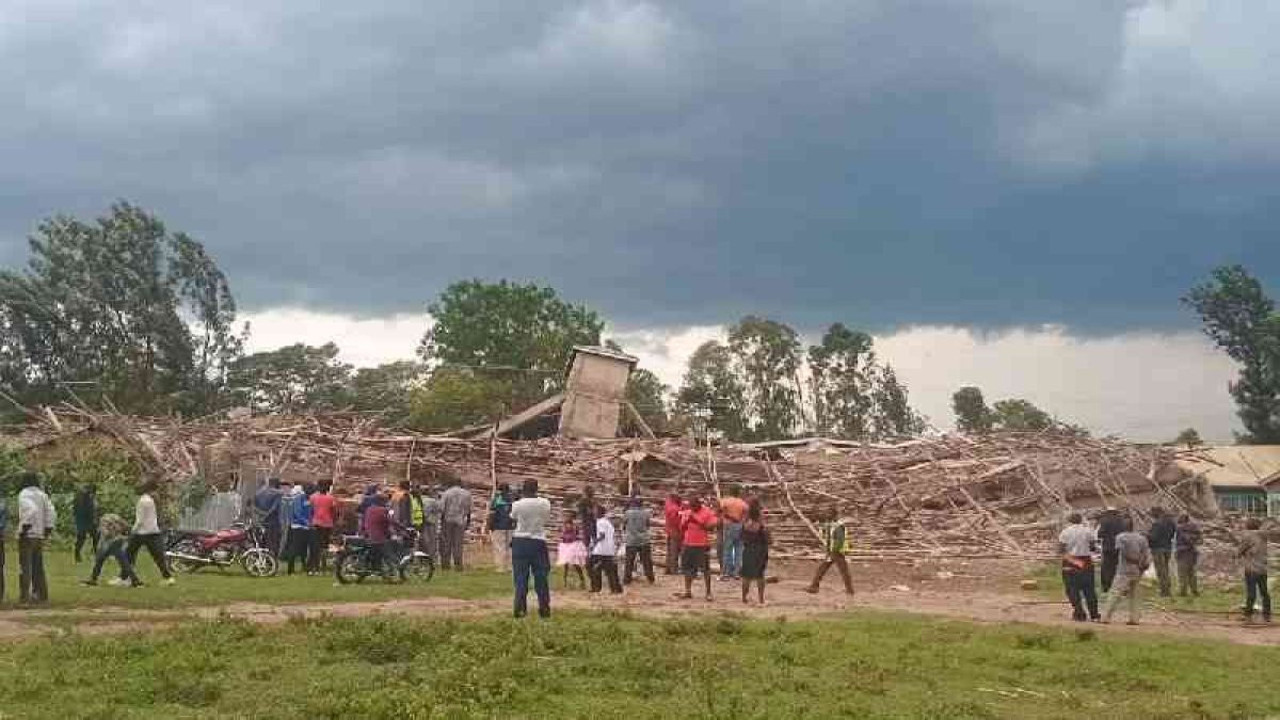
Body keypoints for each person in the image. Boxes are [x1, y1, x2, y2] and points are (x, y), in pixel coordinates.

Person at [510, 478, 553, 619]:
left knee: (521, 577)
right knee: (541, 577)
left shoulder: (517, 504)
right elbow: (546, 519)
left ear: (523, 489)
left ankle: (520, 609)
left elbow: (513, 518)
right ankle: (544, 609)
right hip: (538, 540)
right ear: (537, 489)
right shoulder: (545, 503)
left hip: (520, 540)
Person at [125, 480, 175, 585]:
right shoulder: (150, 500)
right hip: (153, 531)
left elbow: (140, 520)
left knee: (129, 554)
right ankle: (168, 577)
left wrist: (132, 531)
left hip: (141, 533)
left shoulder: (142, 501)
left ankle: (124, 578)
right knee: (158, 557)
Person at [1103, 517, 1150, 625]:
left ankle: (1106, 617)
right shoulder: (1141, 538)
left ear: (1123, 526)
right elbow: (1145, 554)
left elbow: (1122, 552)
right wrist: (1142, 565)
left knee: (1115, 593)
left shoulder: (1121, 537)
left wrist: (1134, 561)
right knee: (1135, 595)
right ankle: (1134, 619)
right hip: (1137, 570)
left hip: (1124, 569)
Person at [16, 472, 55, 604]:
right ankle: (42, 595)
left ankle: (24, 597)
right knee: (38, 567)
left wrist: (24, 528)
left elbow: (31, 510)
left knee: (25, 567)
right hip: (39, 535)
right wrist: (48, 529)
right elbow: (51, 512)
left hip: (28, 535)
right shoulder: (42, 495)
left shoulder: (24, 494)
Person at [1058, 512, 1100, 622]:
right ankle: (1094, 614)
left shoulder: (1065, 532)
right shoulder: (1088, 531)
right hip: (1086, 561)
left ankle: (1079, 613)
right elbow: (1092, 547)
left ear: (1069, 521)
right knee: (1089, 588)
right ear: (1081, 520)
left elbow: (1061, 549)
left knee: (1072, 588)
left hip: (1070, 561)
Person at [82, 512, 141, 587]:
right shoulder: (113, 516)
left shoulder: (102, 521)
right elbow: (127, 526)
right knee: (123, 562)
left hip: (110, 542)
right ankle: (135, 580)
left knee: (100, 560)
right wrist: (124, 535)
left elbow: (106, 534)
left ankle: (93, 579)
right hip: (118, 540)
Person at [677, 496, 718, 601]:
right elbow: (682, 528)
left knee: (705, 569)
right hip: (688, 543)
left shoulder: (707, 512)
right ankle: (688, 591)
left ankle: (708, 593)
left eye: (694, 506)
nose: (692, 508)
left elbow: (711, 527)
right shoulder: (687, 512)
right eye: (691, 506)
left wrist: (696, 521)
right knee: (687, 568)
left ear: (699, 505)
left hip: (701, 544)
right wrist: (686, 522)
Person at [806, 509, 855, 595]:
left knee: (842, 571)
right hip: (834, 552)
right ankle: (814, 587)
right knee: (823, 569)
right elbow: (830, 541)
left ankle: (850, 590)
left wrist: (832, 552)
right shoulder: (832, 527)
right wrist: (829, 551)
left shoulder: (838, 527)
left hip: (838, 552)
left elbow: (839, 541)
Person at [1237, 517, 1271, 624]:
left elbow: (1240, 551)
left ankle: (1248, 616)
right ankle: (1267, 615)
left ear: (1249, 526)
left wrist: (1238, 554)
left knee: (1251, 593)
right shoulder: (1264, 536)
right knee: (1264, 592)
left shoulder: (1248, 536)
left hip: (1251, 568)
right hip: (1263, 568)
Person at [740, 499, 770, 605]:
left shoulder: (745, 522)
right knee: (760, 575)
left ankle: (744, 598)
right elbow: (766, 536)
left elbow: (742, 536)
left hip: (748, 549)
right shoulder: (761, 522)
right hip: (760, 549)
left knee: (746, 575)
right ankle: (761, 599)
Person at [361, 492, 398, 578]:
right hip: (377, 537)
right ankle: (387, 570)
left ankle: (377, 567)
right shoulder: (383, 510)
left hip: (367, 535)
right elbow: (390, 522)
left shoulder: (369, 509)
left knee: (378, 551)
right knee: (388, 552)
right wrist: (402, 529)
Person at [439, 477, 472, 570]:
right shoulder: (467, 494)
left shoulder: (447, 493)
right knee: (458, 543)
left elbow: (442, 508)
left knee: (446, 542)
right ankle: (458, 564)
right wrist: (467, 521)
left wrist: (442, 520)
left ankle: (445, 564)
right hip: (460, 520)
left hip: (448, 520)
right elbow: (469, 509)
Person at [588, 505, 622, 594]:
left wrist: (594, 543)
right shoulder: (607, 522)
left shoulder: (600, 522)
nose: (593, 512)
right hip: (608, 549)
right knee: (610, 570)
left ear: (599, 512)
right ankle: (616, 588)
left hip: (601, 549)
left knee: (592, 567)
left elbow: (602, 535)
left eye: (595, 510)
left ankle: (596, 587)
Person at [622, 497, 654, 585]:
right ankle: (650, 578)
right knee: (646, 561)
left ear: (633, 504)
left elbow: (624, 524)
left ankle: (627, 579)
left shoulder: (628, 513)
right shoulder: (646, 513)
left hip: (631, 540)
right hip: (644, 539)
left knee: (629, 561)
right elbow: (648, 525)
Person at [718, 486, 748, 581]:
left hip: (728, 525)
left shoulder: (725, 501)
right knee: (739, 550)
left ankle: (727, 572)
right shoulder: (742, 503)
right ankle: (737, 572)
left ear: (730, 492)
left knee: (727, 549)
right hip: (739, 526)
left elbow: (720, 510)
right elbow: (745, 514)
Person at [1146, 507, 1176, 597]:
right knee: (1166, 569)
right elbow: (1173, 533)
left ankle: (1164, 591)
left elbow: (1154, 537)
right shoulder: (1171, 522)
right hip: (1167, 548)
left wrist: (1147, 535)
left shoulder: (1157, 524)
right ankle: (1167, 588)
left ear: (1156, 513)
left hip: (1158, 549)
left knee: (1161, 571)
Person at [284, 483, 314, 575]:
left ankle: (304, 567)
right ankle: (290, 569)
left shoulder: (310, 499)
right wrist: (307, 522)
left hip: (307, 527)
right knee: (294, 548)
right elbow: (297, 513)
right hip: (297, 527)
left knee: (304, 549)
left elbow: (311, 512)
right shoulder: (299, 498)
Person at [309, 481, 338, 573]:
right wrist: (334, 521)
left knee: (315, 546)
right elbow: (334, 512)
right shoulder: (331, 498)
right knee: (324, 546)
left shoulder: (313, 497)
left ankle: (315, 566)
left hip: (316, 523)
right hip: (327, 524)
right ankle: (324, 565)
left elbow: (311, 510)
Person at [1096, 508, 1126, 593]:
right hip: (1119, 547)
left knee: (1106, 567)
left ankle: (1106, 587)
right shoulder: (1122, 521)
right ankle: (1117, 586)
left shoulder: (1105, 521)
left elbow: (1100, 534)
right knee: (1117, 567)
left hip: (1108, 547)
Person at [555, 510, 588, 589]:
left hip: (572, 545)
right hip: (565, 546)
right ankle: (565, 581)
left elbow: (574, 535)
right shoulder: (563, 526)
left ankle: (582, 580)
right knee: (566, 564)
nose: (567, 517)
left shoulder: (574, 526)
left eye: (569, 516)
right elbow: (561, 535)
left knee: (575, 563)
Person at [253, 477, 284, 556]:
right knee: (274, 542)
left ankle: (260, 558)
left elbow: (254, 507)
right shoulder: (278, 493)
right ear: (276, 484)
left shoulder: (258, 492)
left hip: (261, 521)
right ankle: (272, 559)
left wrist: (261, 515)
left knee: (261, 541)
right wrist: (266, 515)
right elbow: (274, 508)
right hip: (274, 521)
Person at [488, 483, 515, 573]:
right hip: (511, 526)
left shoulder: (496, 499)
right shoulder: (513, 499)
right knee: (510, 547)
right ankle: (510, 566)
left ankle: (501, 567)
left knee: (499, 547)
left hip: (499, 526)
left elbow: (492, 513)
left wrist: (490, 525)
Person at [1174, 513, 1203, 598]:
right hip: (1193, 553)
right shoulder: (1195, 528)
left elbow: (1181, 540)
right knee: (1192, 573)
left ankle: (1183, 591)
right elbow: (1200, 540)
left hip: (1183, 553)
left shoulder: (1180, 529)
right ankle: (1195, 591)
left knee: (1182, 573)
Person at [72, 484, 99, 563]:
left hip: (83, 520)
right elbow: (90, 509)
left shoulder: (81, 496)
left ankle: (78, 555)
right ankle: (95, 554)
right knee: (90, 537)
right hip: (86, 520)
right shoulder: (87, 497)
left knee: (85, 538)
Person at [663, 491, 684, 575]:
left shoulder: (668, 505)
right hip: (676, 532)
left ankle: (668, 568)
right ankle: (673, 569)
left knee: (670, 551)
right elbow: (677, 521)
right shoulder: (675, 509)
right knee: (675, 551)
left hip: (669, 530)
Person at [420, 485, 441, 562]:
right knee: (431, 541)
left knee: (421, 540)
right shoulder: (432, 501)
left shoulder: (417, 499)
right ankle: (431, 558)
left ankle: (421, 557)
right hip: (430, 523)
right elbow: (439, 509)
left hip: (419, 522)